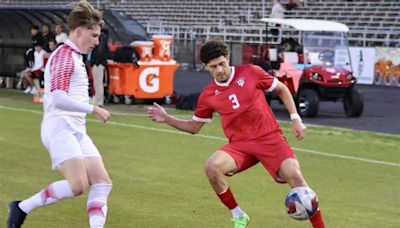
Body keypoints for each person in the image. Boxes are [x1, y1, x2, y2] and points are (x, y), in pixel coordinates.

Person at [147, 40, 325, 228]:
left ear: (228, 59)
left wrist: (295, 118)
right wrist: (167, 119)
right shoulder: (208, 95)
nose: (220, 70)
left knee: (296, 177)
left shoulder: (251, 72)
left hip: (269, 138)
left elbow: (281, 89)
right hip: (240, 145)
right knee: (211, 167)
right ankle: (238, 215)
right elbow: (193, 127)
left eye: (222, 64)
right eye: (214, 67)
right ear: (206, 67)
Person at [7, 1, 112, 228]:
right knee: (77, 186)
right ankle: (22, 207)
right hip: (59, 127)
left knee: (102, 182)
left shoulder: (74, 55)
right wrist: (93, 108)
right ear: (79, 31)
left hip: (75, 129)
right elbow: (57, 98)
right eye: (94, 36)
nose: (97, 41)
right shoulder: (65, 55)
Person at [90, 28, 110, 107]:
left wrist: (96, 61)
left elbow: (100, 50)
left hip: (98, 63)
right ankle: (98, 101)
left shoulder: (102, 37)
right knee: (97, 83)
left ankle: (99, 102)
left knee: (98, 83)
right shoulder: (103, 37)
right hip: (99, 62)